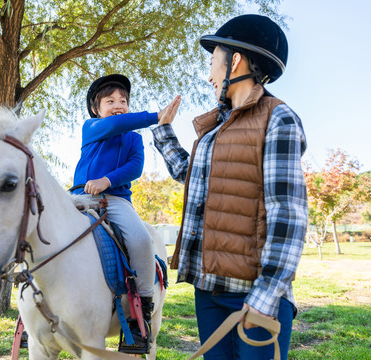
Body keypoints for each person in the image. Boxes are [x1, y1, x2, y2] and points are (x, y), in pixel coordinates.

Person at [152, 15, 308, 360]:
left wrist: (266, 296)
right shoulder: (215, 128)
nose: (209, 76)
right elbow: (190, 176)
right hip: (208, 291)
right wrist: (163, 132)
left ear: (234, 61)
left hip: (254, 295)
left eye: (213, 63)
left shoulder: (278, 120)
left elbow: (288, 216)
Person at [71, 74, 170, 353]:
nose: (118, 105)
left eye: (123, 101)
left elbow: (135, 167)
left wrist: (107, 181)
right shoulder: (92, 127)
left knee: (140, 239)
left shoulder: (134, 139)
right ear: (96, 109)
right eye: (110, 100)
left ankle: (141, 316)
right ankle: (32, 310)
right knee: (46, 226)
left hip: (114, 199)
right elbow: (115, 124)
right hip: (79, 196)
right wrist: (156, 115)